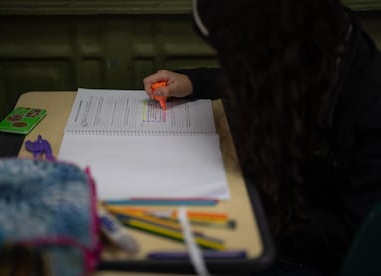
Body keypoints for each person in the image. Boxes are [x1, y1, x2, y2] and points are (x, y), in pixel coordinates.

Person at [143, 0, 381, 275]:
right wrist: (197, 82)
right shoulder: (313, 50)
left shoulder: (370, 108)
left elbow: (351, 238)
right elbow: (272, 74)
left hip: (313, 257)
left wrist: (252, 208)